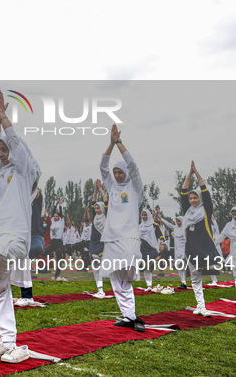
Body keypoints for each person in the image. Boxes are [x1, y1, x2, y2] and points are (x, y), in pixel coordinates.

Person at [0, 91, 41, 363]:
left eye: (7, 150)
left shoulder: (24, 171)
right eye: (1, 151)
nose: (3, 153)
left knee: (3, 265)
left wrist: (4, 116)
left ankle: (14, 343)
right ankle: (8, 342)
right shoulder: (1, 171)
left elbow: (14, 143)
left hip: (14, 237)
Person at [99, 124, 145, 332]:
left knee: (127, 277)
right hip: (111, 239)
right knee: (116, 280)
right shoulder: (111, 186)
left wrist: (119, 143)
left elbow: (133, 166)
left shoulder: (135, 188)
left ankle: (131, 315)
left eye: (120, 172)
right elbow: (102, 166)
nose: (117, 175)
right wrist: (109, 143)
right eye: (115, 172)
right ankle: (130, 317)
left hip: (129, 239)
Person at [180, 161, 220, 317]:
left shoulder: (206, 208)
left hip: (204, 249)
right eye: (191, 198)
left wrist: (196, 173)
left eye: (195, 198)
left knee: (203, 273)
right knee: (195, 279)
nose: (192, 200)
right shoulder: (187, 211)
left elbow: (205, 191)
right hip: (191, 249)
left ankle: (203, 304)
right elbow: (183, 190)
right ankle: (201, 306)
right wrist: (189, 175)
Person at [14, 189, 45, 307]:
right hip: (21, 234)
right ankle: (25, 296)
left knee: (34, 249)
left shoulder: (36, 195)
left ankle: (26, 296)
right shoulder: (19, 199)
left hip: (34, 235)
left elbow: (35, 191)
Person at [89, 179, 108, 298]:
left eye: (98, 208)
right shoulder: (94, 217)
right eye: (95, 208)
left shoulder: (106, 216)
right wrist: (95, 189)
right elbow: (93, 200)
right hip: (93, 244)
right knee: (96, 268)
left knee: (103, 266)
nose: (97, 210)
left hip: (104, 244)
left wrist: (101, 188)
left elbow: (106, 201)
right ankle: (100, 289)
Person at [138, 209, 163, 291]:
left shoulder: (154, 225)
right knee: (146, 268)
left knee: (150, 264)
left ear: (149, 215)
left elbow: (160, 235)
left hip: (152, 248)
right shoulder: (140, 226)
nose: (144, 217)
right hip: (143, 249)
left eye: (145, 215)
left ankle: (155, 262)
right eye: (143, 215)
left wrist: (161, 244)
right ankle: (149, 285)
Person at [162, 215, 188, 289]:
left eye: (179, 221)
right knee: (179, 268)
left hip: (184, 252)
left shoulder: (185, 229)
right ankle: (183, 283)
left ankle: (196, 282)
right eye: (177, 221)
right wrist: (161, 218)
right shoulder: (175, 228)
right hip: (177, 252)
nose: (178, 222)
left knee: (189, 267)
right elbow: (168, 224)